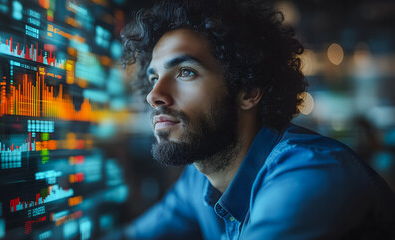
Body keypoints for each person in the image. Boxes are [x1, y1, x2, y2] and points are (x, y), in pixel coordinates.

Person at [115, 0, 395, 239]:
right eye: (154, 78)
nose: (154, 95)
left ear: (248, 91)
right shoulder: (200, 176)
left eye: (185, 72)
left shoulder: (310, 175)